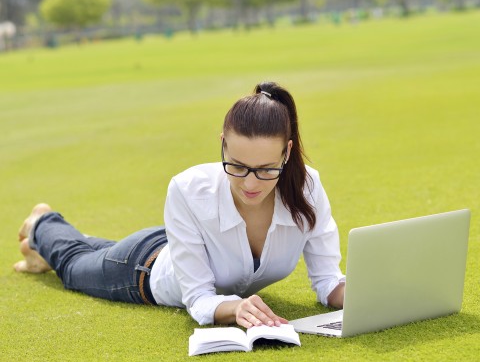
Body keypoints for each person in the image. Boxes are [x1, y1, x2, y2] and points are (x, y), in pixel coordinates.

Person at [14, 82, 345, 329]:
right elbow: (199, 298)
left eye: (267, 170)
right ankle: (42, 223)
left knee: (96, 251)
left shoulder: (307, 188)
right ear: (223, 145)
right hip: (145, 268)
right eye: (237, 166)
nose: (250, 183)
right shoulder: (188, 189)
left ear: (287, 153)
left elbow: (329, 281)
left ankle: (38, 249)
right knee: (75, 266)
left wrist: (364, 295)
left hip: (181, 245)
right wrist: (235, 308)